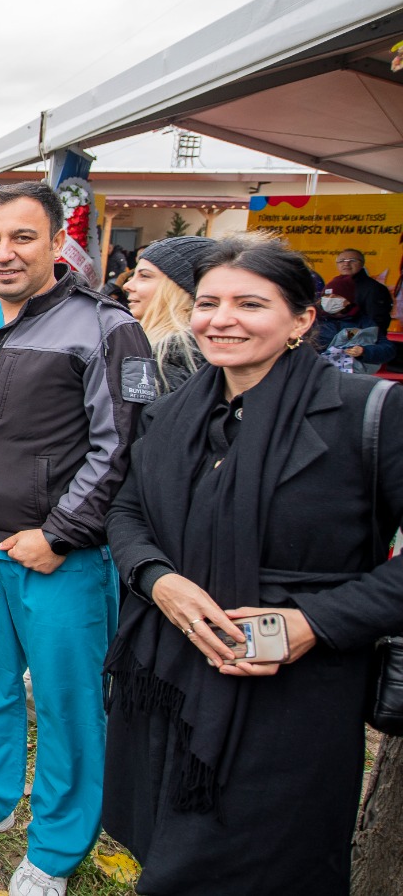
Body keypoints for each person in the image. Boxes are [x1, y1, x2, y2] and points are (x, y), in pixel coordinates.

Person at [103, 234, 403, 895]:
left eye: (250, 303)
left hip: (292, 700)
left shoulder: (365, 414)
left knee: (261, 868)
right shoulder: (173, 414)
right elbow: (126, 514)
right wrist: (162, 581)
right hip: (172, 674)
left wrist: (313, 623)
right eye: (208, 302)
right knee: (167, 848)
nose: (222, 319)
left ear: (301, 319)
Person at [0, 180, 153, 896]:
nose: (3, 253)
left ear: (59, 243)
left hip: (59, 556)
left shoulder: (106, 327)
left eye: (22, 238)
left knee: (65, 701)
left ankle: (58, 844)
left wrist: (60, 534)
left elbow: (121, 444)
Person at [123, 236, 212, 395]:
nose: (127, 285)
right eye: (133, 275)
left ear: (181, 288)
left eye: (144, 276)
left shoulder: (170, 358)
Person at [315, 273, 398, 375]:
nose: (329, 299)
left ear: (348, 300)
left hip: (350, 380)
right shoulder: (313, 321)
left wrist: (364, 351)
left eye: (335, 296)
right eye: (326, 296)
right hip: (318, 376)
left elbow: (388, 350)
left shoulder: (364, 322)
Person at [334, 248, 394, 333]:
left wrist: (354, 338)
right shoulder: (335, 285)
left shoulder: (374, 288)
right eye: (341, 261)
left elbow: (377, 322)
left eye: (352, 260)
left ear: (362, 264)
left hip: (362, 341)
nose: (346, 263)